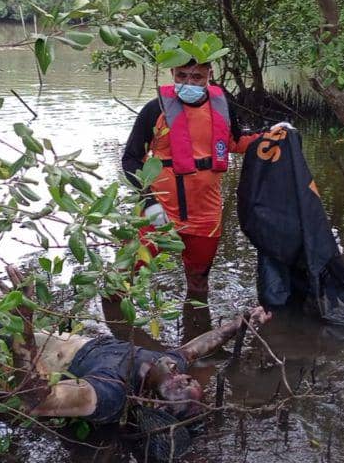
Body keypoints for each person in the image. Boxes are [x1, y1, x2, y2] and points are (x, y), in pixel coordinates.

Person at [121, 59, 291, 340]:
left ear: (209, 75)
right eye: (182, 75)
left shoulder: (222, 105)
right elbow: (130, 159)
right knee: (124, 274)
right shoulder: (155, 109)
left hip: (205, 214)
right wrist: (149, 200)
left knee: (199, 282)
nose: (189, 82)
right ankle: (116, 336)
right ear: (172, 73)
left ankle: (196, 337)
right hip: (160, 210)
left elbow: (236, 143)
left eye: (197, 76)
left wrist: (273, 135)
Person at [0, 265, 273, 424]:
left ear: (157, 405)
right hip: (38, 335)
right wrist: (240, 323)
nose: (186, 377)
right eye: (189, 379)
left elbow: (41, 401)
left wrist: (22, 327)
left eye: (182, 389)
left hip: (5, 352)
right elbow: (200, 346)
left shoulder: (111, 393)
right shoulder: (165, 365)